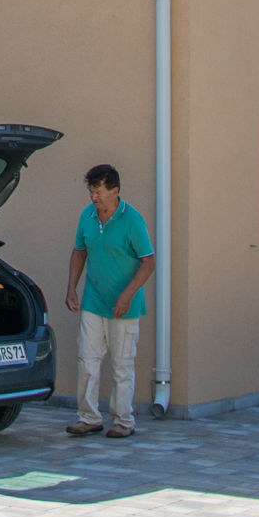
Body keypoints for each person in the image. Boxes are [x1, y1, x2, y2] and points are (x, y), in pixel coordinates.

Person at [64, 163, 155, 438]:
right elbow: (79, 252)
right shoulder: (87, 216)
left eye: (99, 191)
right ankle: (88, 417)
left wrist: (128, 295)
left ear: (115, 191)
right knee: (87, 359)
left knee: (121, 364)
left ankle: (123, 420)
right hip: (94, 300)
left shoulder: (132, 220)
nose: (94, 197)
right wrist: (72, 288)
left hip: (124, 307)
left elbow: (148, 262)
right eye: (91, 191)